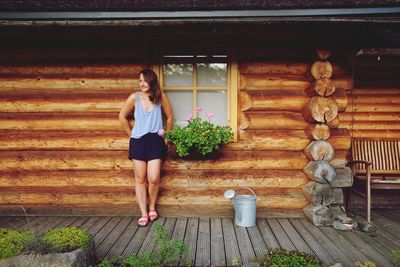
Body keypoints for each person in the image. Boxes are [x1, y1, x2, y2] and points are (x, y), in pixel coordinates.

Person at [119, 69, 173, 227]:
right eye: (139, 81)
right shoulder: (134, 98)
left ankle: (152, 207)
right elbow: (122, 116)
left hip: (155, 140)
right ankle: (143, 213)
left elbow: (169, 117)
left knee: (154, 177)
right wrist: (130, 135)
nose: (142, 84)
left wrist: (166, 137)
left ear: (152, 81)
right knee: (140, 179)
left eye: (145, 80)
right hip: (138, 141)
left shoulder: (160, 97)